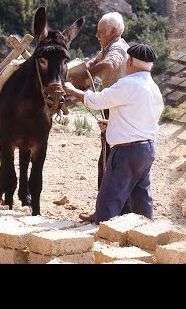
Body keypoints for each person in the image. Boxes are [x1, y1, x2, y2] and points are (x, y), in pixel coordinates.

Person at [64, 43, 164, 224]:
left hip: (126, 152)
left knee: (109, 199)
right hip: (146, 149)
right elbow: (144, 118)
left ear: (131, 61)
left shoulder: (128, 83)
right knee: (141, 197)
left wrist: (72, 90)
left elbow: (96, 100)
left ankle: (103, 240)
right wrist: (113, 123)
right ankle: (146, 235)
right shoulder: (154, 88)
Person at [69, 12, 130, 223]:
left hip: (117, 111)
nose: (97, 35)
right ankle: (114, 212)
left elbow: (109, 65)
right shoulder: (107, 47)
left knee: (108, 161)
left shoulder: (118, 48)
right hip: (112, 109)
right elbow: (94, 61)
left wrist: (86, 77)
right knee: (110, 159)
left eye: (101, 32)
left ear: (113, 32)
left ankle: (105, 214)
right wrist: (74, 72)